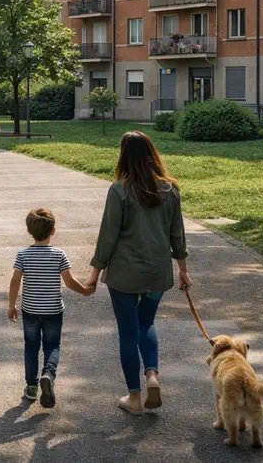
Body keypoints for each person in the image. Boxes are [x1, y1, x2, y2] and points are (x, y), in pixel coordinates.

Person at [80, 131, 190, 415]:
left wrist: (94, 273)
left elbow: (108, 237)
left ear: (124, 155)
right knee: (146, 324)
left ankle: (135, 398)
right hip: (157, 273)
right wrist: (183, 271)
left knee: (128, 332)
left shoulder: (119, 190)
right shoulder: (171, 189)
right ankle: (152, 374)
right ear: (152, 154)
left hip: (124, 275)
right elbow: (177, 235)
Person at [8, 208, 89, 408]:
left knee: (31, 347)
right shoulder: (59, 254)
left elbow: (15, 281)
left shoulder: (23, 255)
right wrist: (86, 290)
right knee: (52, 346)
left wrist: (12, 305)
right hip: (53, 310)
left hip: (30, 310)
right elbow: (69, 282)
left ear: (29, 231)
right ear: (53, 231)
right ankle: (48, 374)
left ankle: (31, 387)